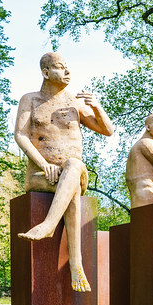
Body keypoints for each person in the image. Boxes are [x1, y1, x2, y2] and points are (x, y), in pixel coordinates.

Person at [13, 52, 114, 292]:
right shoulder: (30, 100)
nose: (67, 72)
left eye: (68, 67)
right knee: (71, 191)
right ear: (46, 72)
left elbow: (107, 130)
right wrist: (42, 163)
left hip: (73, 171)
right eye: (60, 67)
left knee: (74, 165)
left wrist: (97, 107)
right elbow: (20, 135)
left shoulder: (74, 102)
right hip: (41, 176)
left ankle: (49, 224)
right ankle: (76, 265)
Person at [126, 114, 153, 208]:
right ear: (148, 127)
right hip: (149, 198)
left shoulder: (141, 144)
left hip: (141, 200)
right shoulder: (146, 143)